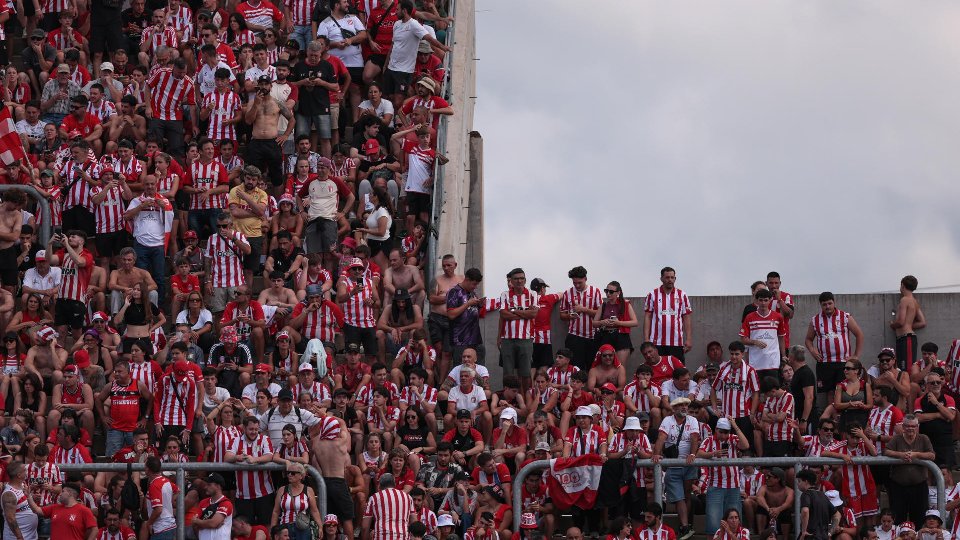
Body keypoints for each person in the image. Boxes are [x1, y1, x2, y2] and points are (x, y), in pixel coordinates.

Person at [652, 397, 700, 540]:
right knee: (680, 497)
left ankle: (685, 524)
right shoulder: (668, 420)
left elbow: (694, 438)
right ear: (673, 409)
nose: (684, 407)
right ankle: (685, 527)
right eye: (680, 405)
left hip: (688, 463)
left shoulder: (692, 420)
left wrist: (692, 454)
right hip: (674, 464)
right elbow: (661, 437)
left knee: (686, 494)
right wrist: (656, 454)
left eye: (686, 405)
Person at [805, 292, 865, 398]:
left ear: (834, 302)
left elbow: (859, 334)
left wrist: (856, 356)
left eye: (829, 303)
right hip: (824, 362)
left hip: (843, 362)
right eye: (824, 304)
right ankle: (832, 415)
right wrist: (812, 350)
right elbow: (808, 339)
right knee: (829, 392)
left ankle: (842, 414)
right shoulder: (815, 320)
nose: (827, 306)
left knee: (843, 390)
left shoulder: (845, 317)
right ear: (820, 305)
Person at [697, 417, 750, 535]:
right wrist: (713, 454)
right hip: (715, 486)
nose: (723, 435)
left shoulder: (733, 438)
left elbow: (746, 445)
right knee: (713, 523)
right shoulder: (709, 440)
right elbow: (698, 453)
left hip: (734, 486)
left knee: (734, 523)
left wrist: (735, 426)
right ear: (716, 429)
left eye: (726, 432)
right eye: (721, 432)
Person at [884, 414, 935, 526]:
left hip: (919, 486)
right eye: (907, 426)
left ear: (917, 426)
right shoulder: (896, 438)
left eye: (913, 426)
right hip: (898, 486)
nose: (910, 428)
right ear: (903, 426)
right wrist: (900, 455)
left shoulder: (923, 438)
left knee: (920, 518)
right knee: (898, 518)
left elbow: (932, 455)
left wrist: (916, 454)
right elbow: (886, 451)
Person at [643, 266, 693, 360]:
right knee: (657, 371)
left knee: (678, 372)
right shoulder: (652, 294)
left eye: (672, 277)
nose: (670, 280)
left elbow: (686, 317)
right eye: (667, 277)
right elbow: (647, 317)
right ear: (661, 278)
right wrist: (646, 339)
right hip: (656, 342)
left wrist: (689, 339)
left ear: (675, 278)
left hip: (676, 342)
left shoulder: (682, 295)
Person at [559, 266, 601, 371]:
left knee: (592, 368)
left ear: (585, 279)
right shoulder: (567, 293)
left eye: (579, 283)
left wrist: (584, 309)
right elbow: (562, 315)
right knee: (575, 369)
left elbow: (601, 314)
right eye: (574, 283)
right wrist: (569, 316)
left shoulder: (595, 291)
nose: (577, 285)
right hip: (574, 336)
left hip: (592, 336)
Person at [739, 288, 786, 379]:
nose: (763, 303)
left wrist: (783, 355)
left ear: (770, 300)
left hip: (773, 362)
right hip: (756, 363)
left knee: (772, 390)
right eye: (760, 300)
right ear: (756, 301)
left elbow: (781, 337)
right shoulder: (749, 317)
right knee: (757, 391)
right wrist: (755, 342)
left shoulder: (778, 317)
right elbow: (743, 339)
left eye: (765, 300)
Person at [914, 371, 956, 467]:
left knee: (946, 475)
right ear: (926, 385)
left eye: (938, 382)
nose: (936, 384)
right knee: (928, 473)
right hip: (927, 441)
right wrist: (939, 414)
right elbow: (918, 418)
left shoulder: (948, 399)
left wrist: (936, 403)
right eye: (932, 383)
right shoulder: (919, 400)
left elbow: (951, 416)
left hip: (944, 442)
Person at [446, 268, 485, 364]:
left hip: (476, 339)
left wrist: (479, 305)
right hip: (460, 340)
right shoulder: (454, 292)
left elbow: (472, 312)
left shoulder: (472, 293)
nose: (475, 287)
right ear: (467, 279)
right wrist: (468, 304)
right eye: (474, 284)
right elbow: (451, 315)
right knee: (461, 371)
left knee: (478, 370)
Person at [890, 276, 926, 373]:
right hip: (907, 338)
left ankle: (909, 388)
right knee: (903, 369)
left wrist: (892, 325)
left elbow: (901, 322)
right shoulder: (914, 301)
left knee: (906, 370)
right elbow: (922, 322)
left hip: (906, 339)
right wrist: (909, 325)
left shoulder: (904, 300)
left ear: (902, 285)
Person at [193, 473, 234, 540]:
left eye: (209, 485)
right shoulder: (203, 502)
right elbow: (194, 525)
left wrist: (198, 522)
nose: (205, 487)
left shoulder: (226, 503)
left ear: (218, 486)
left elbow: (213, 523)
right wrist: (204, 523)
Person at [797, 469, 834, 540]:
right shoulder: (823, 495)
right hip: (824, 536)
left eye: (799, 481)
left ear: (806, 481)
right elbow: (837, 515)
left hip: (810, 536)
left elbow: (805, 510)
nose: (797, 484)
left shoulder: (806, 494)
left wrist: (804, 531)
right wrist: (830, 532)